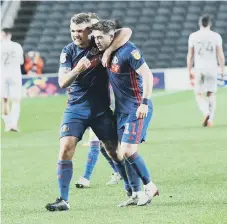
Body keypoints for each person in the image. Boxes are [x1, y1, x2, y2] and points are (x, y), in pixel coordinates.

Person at [45, 13, 132, 211]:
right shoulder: (68, 51)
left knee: (114, 151)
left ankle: (131, 189)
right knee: (66, 147)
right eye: (72, 31)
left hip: (101, 109)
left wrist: (108, 53)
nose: (75, 35)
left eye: (80, 31)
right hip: (75, 108)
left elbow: (126, 31)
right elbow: (61, 82)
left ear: (89, 30)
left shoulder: (99, 45)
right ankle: (63, 200)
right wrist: (77, 69)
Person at [91, 20, 159, 207]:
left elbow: (147, 75)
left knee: (128, 150)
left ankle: (150, 186)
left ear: (112, 37)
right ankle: (136, 194)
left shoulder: (129, 51)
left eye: (100, 37)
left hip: (137, 107)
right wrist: (105, 50)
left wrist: (144, 102)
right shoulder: (106, 50)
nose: (96, 40)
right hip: (121, 111)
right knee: (122, 152)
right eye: (95, 37)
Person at [75, 13, 121, 188]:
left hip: (103, 102)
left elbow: (126, 31)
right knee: (103, 146)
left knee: (95, 142)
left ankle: (85, 178)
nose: (93, 34)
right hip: (87, 101)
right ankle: (119, 170)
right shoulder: (85, 50)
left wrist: (108, 50)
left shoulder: (105, 46)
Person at [187, 14, 225, 127]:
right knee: (211, 93)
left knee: (198, 94)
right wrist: (222, 69)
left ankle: (206, 112)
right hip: (212, 68)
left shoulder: (193, 36)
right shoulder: (216, 36)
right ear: (209, 24)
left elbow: (190, 55)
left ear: (200, 24)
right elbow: (220, 54)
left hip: (199, 68)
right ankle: (210, 119)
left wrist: (189, 70)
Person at [1, 28, 24, 132]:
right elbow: (21, 62)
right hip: (15, 75)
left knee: (5, 100)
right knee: (16, 100)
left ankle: (7, 125)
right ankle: (14, 124)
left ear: (3, 35)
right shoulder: (17, 46)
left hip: (2, 75)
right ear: (9, 35)